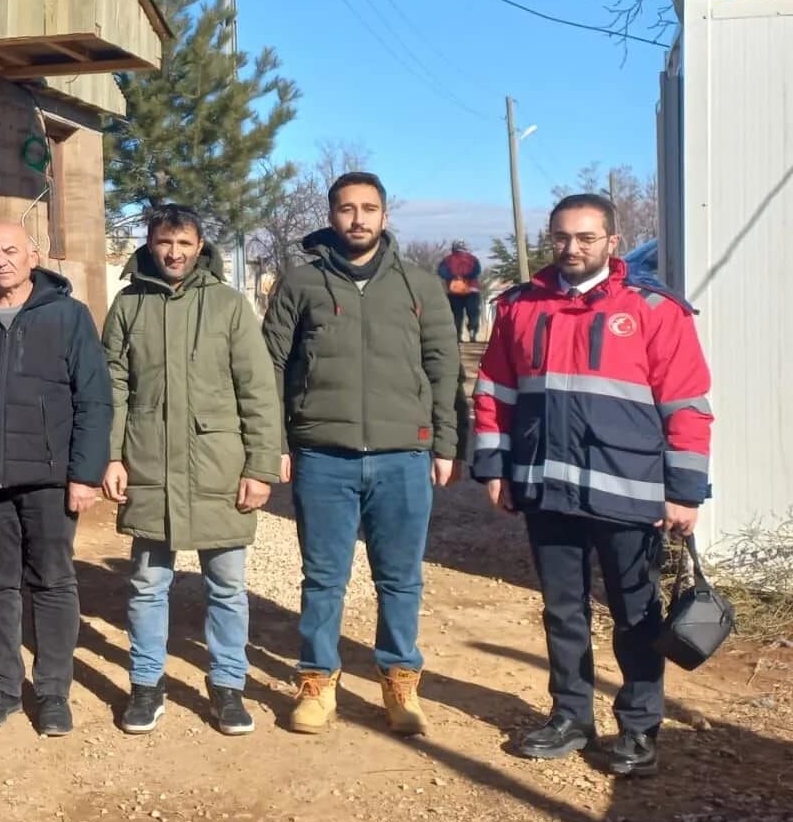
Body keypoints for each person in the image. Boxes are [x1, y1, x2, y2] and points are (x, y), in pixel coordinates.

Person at [472, 194, 712, 779]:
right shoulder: (520, 308)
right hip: (547, 490)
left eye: (585, 237)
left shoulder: (655, 310)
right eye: (561, 237)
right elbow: (494, 395)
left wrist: (684, 491)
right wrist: (495, 468)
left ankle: (637, 729)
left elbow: (687, 405)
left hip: (629, 494)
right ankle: (571, 718)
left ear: (611, 240)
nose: (572, 248)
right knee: (562, 612)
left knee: (636, 617)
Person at [263, 172, 459, 737]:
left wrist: (445, 443)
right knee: (323, 578)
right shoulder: (300, 284)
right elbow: (270, 363)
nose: (358, 219)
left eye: (368, 208)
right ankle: (317, 684)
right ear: (331, 215)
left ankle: (400, 683)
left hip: (403, 456)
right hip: (324, 455)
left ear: (385, 216)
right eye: (346, 209)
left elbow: (444, 369)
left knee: (400, 578)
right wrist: (275, 441)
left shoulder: (420, 286)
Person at [101, 206, 283, 737]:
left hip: (218, 470)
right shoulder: (128, 304)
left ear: (201, 245)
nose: (174, 253)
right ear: (150, 244)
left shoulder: (228, 306)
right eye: (164, 242)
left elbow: (257, 390)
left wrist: (260, 467)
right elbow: (113, 387)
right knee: (146, 585)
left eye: (184, 242)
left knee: (226, 586)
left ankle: (227, 686)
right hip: (149, 465)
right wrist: (110, 456)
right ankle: (146, 684)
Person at [0, 221, 113, 736]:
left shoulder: (69, 316)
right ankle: (3, 686)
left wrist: (84, 474)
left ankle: (54, 691)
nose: (1, 261)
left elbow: (95, 400)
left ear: (32, 257)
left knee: (53, 583)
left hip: (49, 479)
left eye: (11, 251)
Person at [438, 240, 485, 343]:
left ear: (453, 248)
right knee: (473, 313)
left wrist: (453, 277)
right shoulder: (473, 259)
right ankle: (472, 331)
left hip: (454, 290)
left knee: (456, 314)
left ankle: (457, 335)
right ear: (465, 248)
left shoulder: (447, 260)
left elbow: (441, 272)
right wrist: (466, 277)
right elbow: (477, 271)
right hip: (471, 289)